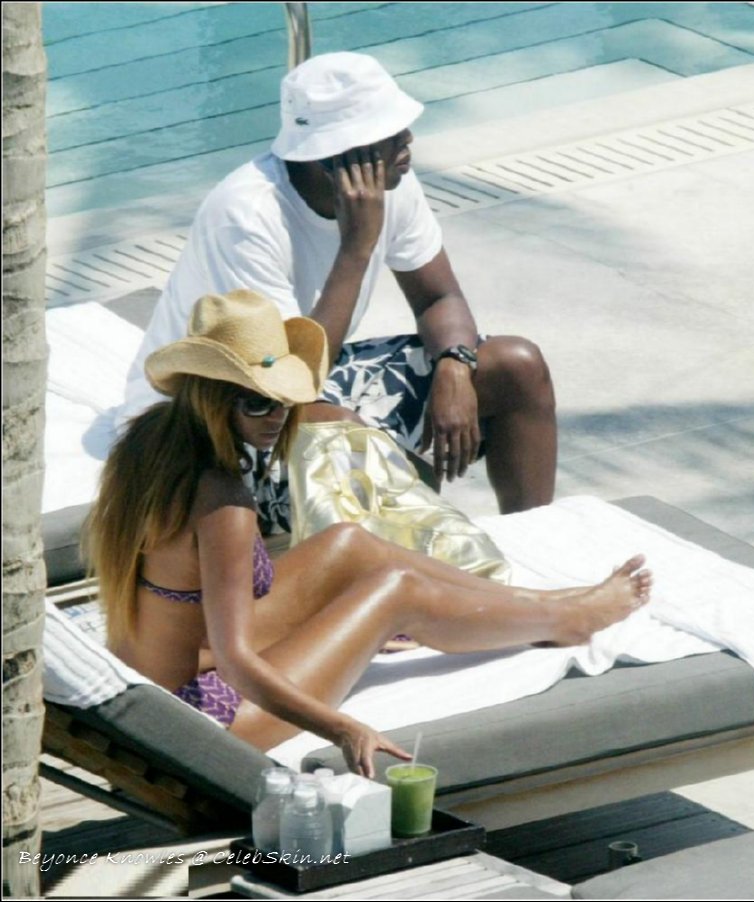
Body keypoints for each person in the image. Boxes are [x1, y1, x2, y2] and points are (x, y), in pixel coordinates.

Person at [91, 289, 652, 777]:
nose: (276, 418)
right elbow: (236, 661)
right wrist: (341, 727)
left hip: (149, 680)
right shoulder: (223, 504)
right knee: (397, 591)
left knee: (349, 544)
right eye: (257, 402)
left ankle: (546, 604)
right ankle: (564, 621)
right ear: (211, 398)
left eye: (286, 401)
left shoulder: (149, 442)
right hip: (203, 717)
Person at [118, 52, 557, 535]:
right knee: (369, 453)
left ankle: (535, 543)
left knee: (516, 367)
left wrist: (456, 366)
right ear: (334, 158)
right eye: (389, 132)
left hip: (310, 374)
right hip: (220, 408)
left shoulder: (393, 182)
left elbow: (439, 299)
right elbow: (287, 378)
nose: (408, 140)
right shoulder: (246, 215)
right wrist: (357, 247)